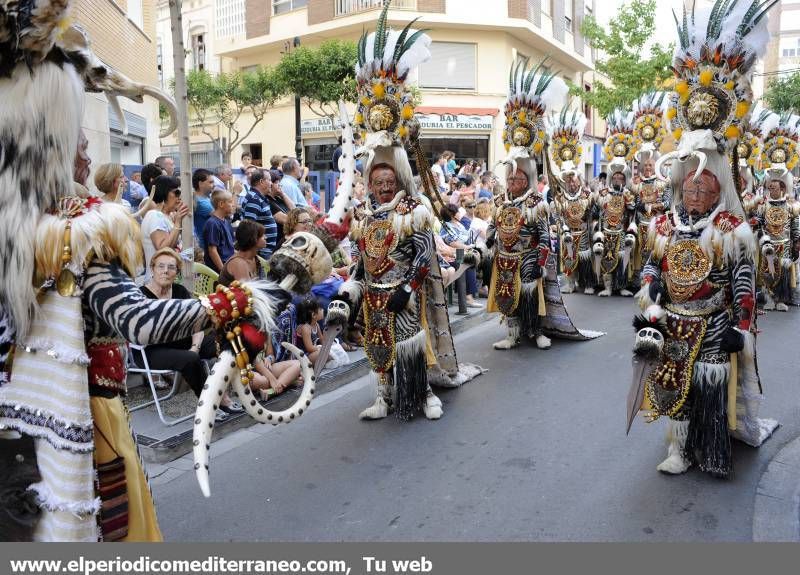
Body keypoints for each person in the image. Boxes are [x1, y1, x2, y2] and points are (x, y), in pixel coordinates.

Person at [632, 0, 778, 479]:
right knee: (671, 382)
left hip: (714, 321)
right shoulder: (664, 224)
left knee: (710, 384)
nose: (694, 190)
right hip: (671, 320)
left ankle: (710, 446)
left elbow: (742, 282)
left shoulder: (734, 232)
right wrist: (651, 291)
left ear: (719, 185)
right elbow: (653, 266)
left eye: (704, 183)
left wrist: (739, 323)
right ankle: (677, 447)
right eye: (688, 183)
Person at [138, 248, 242, 419]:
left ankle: (221, 394)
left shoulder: (180, 291)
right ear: (152, 269)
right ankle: (210, 405)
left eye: (171, 267)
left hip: (185, 343)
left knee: (228, 344)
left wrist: (195, 345)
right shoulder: (142, 296)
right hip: (151, 349)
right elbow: (146, 332)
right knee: (190, 359)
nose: (165, 271)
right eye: (161, 266)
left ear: (177, 272)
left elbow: (196, 323)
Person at [140, 175, 188, 281]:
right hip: (157, 281)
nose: (179, 197)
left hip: (166, 278)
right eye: (176, 193)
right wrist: (177, 223)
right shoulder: (155, 216)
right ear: (164, 193)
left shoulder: (167, 216)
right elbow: (163, 248)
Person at [217, 219, 268, 285]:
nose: (265, 237)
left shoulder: (255, 259)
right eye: (262, 235)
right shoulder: (239, 263)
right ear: (253, 239)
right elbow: (249, 292)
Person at [242, 169, 278, 260]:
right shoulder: (254, 199)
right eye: (269, 180)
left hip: (264, 251)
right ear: (261, 182)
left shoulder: (259, 198)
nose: (271, 183)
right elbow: (249, 227)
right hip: (261, 253)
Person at [202, 189, 235, 273]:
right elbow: (212, 251)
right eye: (230, 202)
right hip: (218, 270)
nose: (233, 205)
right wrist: (223, 271)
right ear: (221, 204)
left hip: (229, 265)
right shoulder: (212, 223)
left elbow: (230, 247)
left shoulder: (226, 222)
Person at [265, 168, 295, 247]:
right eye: (277, 182)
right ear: (270, 184)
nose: (279, 185)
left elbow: (294, 209)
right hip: (279, 241)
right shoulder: (268, 201)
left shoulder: (279, 198)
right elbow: (287, 220)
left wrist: (283, 194)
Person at [192, 168, 215, 247]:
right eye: (210, 182)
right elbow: (226, 214)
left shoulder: (206, 198)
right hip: (207, 247)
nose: (214, 185)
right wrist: (235, 193)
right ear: (200, 183)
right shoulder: (201, 202)